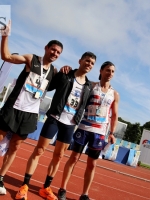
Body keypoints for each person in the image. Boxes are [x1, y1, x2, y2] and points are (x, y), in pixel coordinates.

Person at [15, 52, 97, 200]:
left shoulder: (89, 86)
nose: (89, 64)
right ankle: (25, 185)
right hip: (55, 118)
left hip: (70, 123)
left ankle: (46, 187)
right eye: (87, 61)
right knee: (39, 150)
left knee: (58, 156)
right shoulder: (65, 74)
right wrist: (59, 71)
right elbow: (49, 86)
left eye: (92, 63)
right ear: (80, 60)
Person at [0, 22, 63, 195]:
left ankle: (0, 178)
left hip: (29, 115)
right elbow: (6, 56)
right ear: (46, 48)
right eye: (53, 49)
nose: (55, 53)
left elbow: (66, 83)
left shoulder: (54, 73)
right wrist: (5, 34)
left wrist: (67, 70)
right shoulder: (31, 59)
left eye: (58, 52)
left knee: (15, 147)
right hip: (13, 108)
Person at [57, 61, 119, 200]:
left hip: (99, 133)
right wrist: (66, 69)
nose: (110, 74)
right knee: (73, 158)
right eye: (108, 70)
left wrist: (112, 133)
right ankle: (63, 188)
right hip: (84, 128)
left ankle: (84, 194)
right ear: (101, 71)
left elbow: (114, 115)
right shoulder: (90, 86)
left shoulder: (114, 94)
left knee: (92, 164)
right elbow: (76, 82)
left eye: (113, 71)